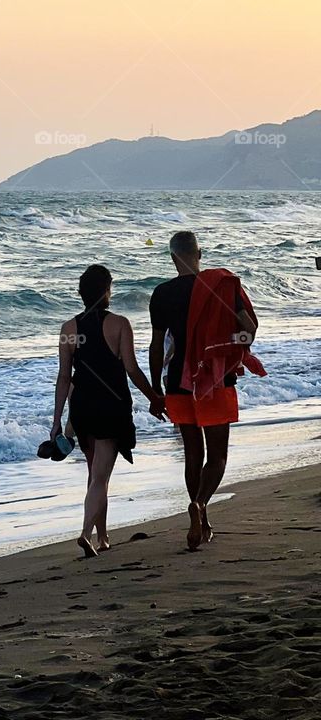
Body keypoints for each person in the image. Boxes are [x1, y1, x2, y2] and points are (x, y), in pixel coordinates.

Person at [150, 230, 259, 551]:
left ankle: (203, 520)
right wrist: (227, 344)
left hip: (177, 381)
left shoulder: (161, 293)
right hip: (214, 378)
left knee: (193, 454)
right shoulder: (221, 285)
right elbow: (249, 329)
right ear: (199, 254)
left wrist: (155, 388)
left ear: (173, 258)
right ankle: (199, 504)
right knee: (218, 456)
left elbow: (156, 346)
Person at [51, 265, 166, 558]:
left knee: (95, 474)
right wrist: (154, 397)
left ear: (81, 294)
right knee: (100, 477)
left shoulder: (68, 329)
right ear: (106, 291)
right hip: (110, 405)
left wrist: (56, 422)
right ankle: (85, 533)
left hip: (82, 407)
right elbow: (132, 369)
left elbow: (64, 377)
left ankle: (102, 537)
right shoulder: (120, 324)